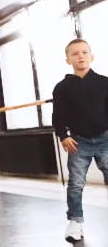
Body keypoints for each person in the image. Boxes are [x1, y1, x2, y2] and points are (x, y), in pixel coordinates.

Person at [52, 38, 108, 243]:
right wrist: (63, 136)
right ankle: (75, 221)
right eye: (75, 53)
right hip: (78, 142)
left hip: (105, 139)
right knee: (75, 183)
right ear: (68, 60)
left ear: (92, 56)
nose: (80, 56)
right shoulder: (62, 88)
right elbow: (58, 116)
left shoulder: (104, 83)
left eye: (84, 52)